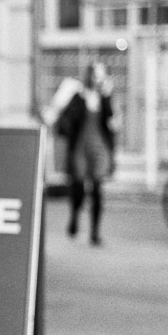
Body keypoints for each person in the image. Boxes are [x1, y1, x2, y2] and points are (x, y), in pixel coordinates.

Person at [56, 61, 116, 245]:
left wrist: (106, 96)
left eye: (101, 75)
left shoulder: (104, 98)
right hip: (80, 147)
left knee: (97, 189)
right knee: (79, 187)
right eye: (96, 74)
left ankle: (95, 232)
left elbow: (111, 120)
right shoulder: (78, 96)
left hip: (99, 148)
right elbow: (66, 120)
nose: (98, 79)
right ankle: (75, 216)